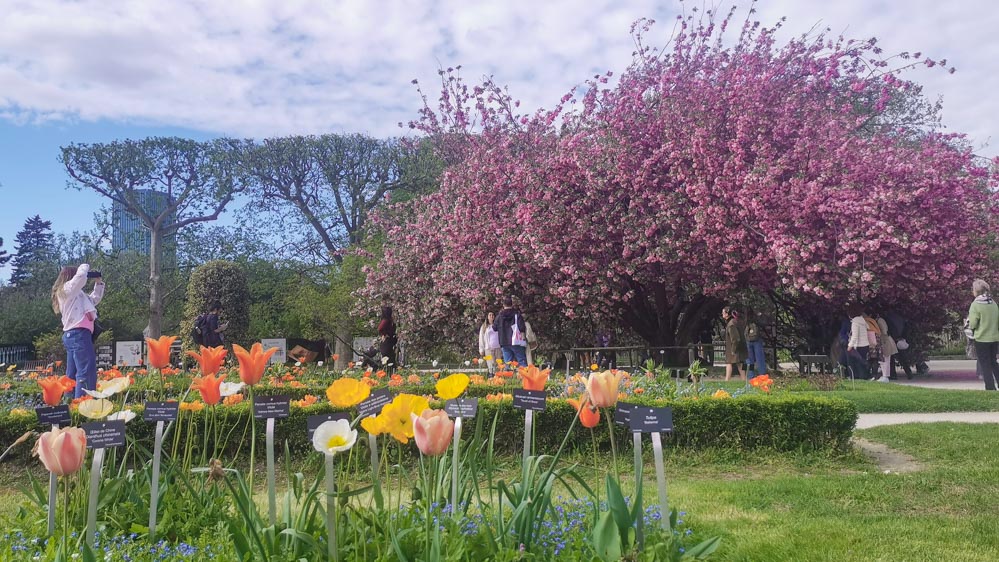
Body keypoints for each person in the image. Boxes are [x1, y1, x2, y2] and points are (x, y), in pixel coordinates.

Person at [52, 264, 105, 398]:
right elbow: (80, 277)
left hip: (76, 334)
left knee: (73, 373)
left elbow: (94, 299)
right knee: (86, 370)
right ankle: (83, 404)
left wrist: (98, 283)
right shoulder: (66, 290)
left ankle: (69, 404)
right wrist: (84, 266)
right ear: (71, 276)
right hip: (78, 334)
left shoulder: (78, 295)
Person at [968, 279, 999, 391]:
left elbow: (973, 323)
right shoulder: (993, 303)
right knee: (993, 361)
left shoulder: (975, 305)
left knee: (985, 364)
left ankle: (990, 387)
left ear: (976, 291)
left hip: (981, 338)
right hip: (994, 337)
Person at [493, 296, 528, 366]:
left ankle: (508, 376)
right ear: (512, 304)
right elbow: (522, 327)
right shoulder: (517, 315)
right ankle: (524, 376)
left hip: (504, 342)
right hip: (516, 341)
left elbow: (494, 328)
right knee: (521, 361)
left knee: (508, 363)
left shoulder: (499, 316)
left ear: (503, 305)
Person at [722, 307, 747, 381]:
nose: (722, 314)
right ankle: (744, 379)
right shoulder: (735, 321)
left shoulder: (731, 324)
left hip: (734, 348)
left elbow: (735, 338)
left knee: (729, 363)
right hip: (737, 347)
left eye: (723, 313)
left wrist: (733, 350)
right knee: (740, 364)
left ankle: (727, 379)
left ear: (727, 314)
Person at [846, 303, 870, 380]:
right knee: (861, 362)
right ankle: (864, 377)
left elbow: (855, 336)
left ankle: (856, 377)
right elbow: (868, 328)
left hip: (858, 346)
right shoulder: (862, 320)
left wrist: (850, 346)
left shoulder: (855, 322)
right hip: (865, 345)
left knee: (855, 363)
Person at [875, 313, 898, 382]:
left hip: (885, 342)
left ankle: (885, 376)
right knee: (884, 360)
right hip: (885, 341)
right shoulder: (880, 320)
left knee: (885, 359)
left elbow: (884, 331)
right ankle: (885, 375)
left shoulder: (880, 320)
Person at [744, 309, 767, 379]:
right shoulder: (757, 320)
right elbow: (763, 324)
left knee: (748, 359)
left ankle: (750, 376)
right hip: (757, 340)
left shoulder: (745, 320)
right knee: (760, 359)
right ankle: (762, 375)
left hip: (748, 340)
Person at [378, 306, 399, 373]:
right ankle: (388, 374)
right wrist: (385, 334)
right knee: (388, 360)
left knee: (391, 360)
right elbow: (380, 328)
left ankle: (391, 374)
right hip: (387, 342)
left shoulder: (389, 320)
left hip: (390, 342)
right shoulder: (386, 320)